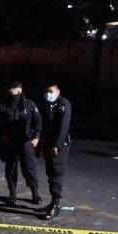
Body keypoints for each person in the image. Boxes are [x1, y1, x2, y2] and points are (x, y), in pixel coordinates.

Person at [0, 81, 42, 206]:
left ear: (19, 91)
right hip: (10, 142)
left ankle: (35, 194)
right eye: (9, 93)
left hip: (25, 142)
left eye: (13, 93)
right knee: (11, 170)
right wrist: (2, 135)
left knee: (30, 169)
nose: (11, 96)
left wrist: (37, 137)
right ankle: (12, 194)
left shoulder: (29, 105)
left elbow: (38, 121)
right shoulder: (4, 105)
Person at [36, 83, 72, 220]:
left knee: (56, 173)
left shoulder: (64, 104)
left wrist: (57, 145)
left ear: (58, 91)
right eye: (46, 91)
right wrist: (40, 144)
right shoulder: (46, 104)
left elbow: (64, 126)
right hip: (47, 144)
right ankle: (52, 203)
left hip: (58, 146)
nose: (48, 93)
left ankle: (56, 205)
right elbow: (43, 125)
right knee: (50, 173)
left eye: (50, 91)